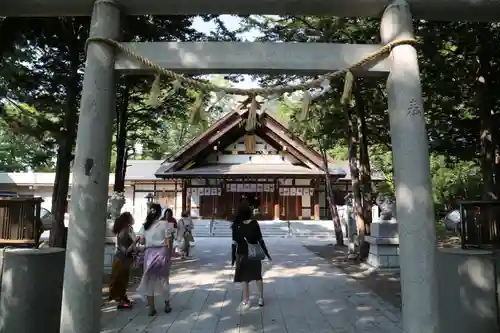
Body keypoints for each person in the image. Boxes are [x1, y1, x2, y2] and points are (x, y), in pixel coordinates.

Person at [231, 203, 271, 308]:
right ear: (249, 212)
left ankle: (246, 300)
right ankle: (261, 298)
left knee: (245, 278)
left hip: (241, 253)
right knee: (258, 276)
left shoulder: (236, 225)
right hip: (253, 252)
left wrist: (233, 257)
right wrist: (267, 253)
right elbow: (260, 240)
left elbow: (234, 242)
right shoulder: (254, 223)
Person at [137, 203, 174, 316]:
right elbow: (168, 240)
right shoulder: (165, 224)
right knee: (163, 279)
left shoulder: (145, 226)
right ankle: (167, 304)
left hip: (149, 253)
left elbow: (142, 242)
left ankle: (151, 308)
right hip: (162, 252)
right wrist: (170, 252)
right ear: (159, 213)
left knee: (149, 281)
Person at [109, 212, 136, 309]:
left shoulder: (127, 230)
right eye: (131, 217)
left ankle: (124, 299)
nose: (133, 219)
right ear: (128, 220)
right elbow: (126, 250)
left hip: (123, 259)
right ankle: (121, 302)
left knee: (123, 280)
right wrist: (135, 243)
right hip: (122, 260)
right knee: (121, 281)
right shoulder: (124, 232)